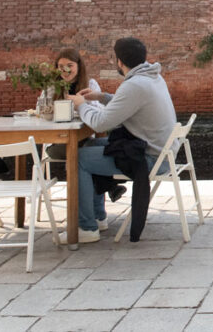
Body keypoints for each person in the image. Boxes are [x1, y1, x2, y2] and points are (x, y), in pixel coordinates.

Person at [66, 37, 177, 243]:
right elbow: (127, 103)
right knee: (89, 144)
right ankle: (98, 217)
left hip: (149, 158)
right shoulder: (152, 77)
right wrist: (100, 97)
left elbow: (100, 124)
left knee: (78, 157)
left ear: (119, 62)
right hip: (162, 152)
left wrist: (81, 105)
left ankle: (86, 227)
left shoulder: (135, 85)